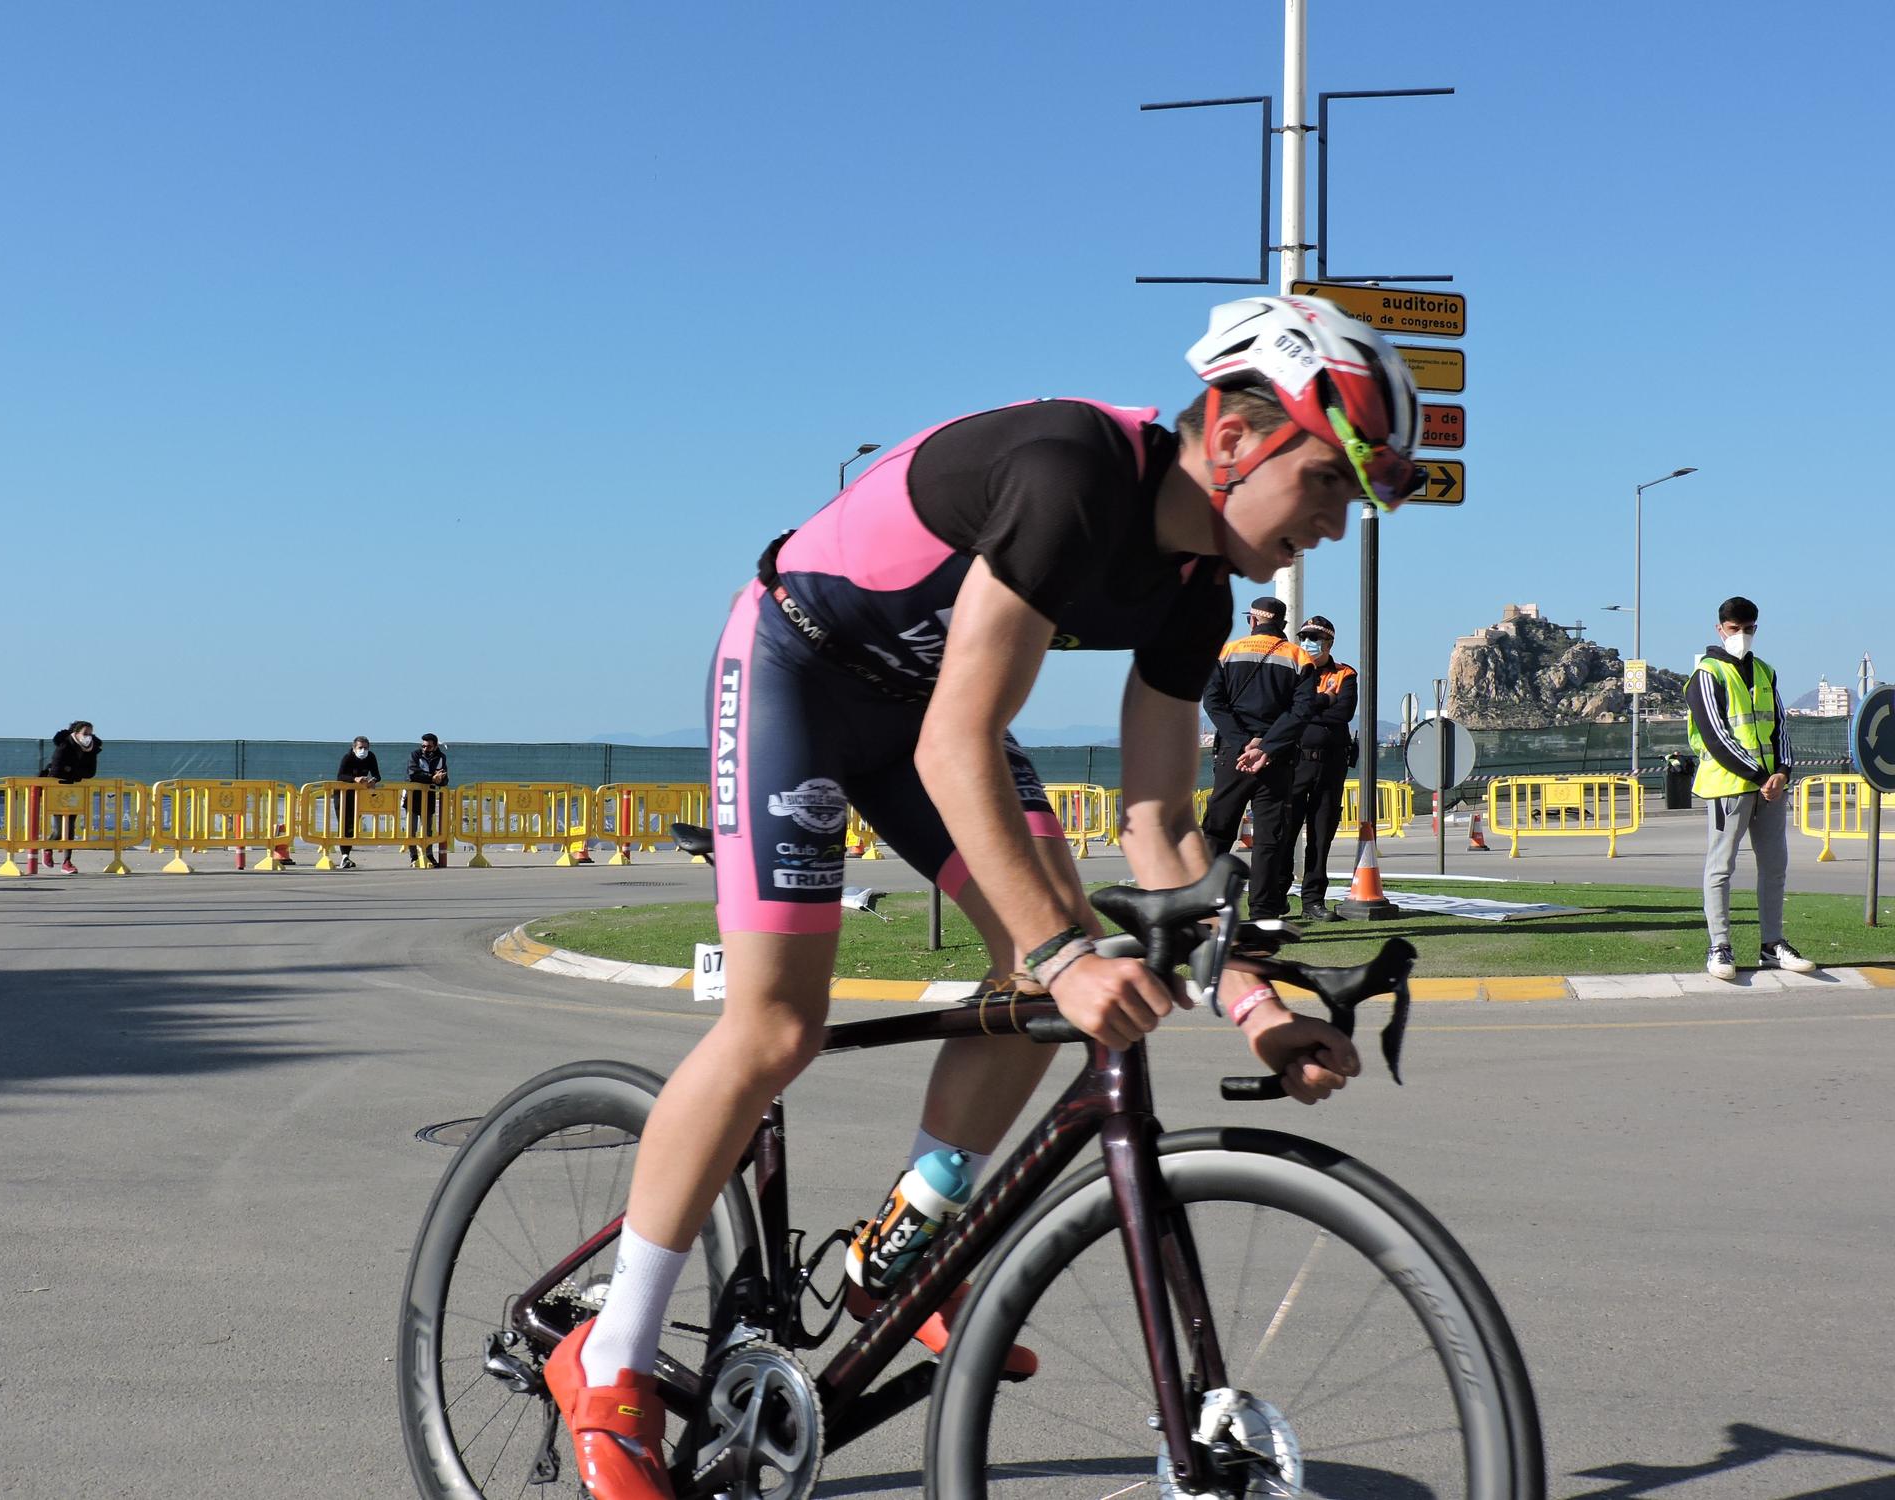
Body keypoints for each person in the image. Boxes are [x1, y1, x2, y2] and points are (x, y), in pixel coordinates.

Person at [544, 293, 1423, 1500]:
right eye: (1328, 479)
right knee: (779, 1024)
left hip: (922, 708)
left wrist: (1251, 1002)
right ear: (1230, 436)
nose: (1333, 521)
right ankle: (613, 1356)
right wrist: (1068, 945)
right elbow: (961, 739)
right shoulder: (1070, 475)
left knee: (1048, 981)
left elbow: (1159, 826)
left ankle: (899, 1250)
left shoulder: (1194, 588)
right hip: (798, 667)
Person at [1684, 596, 1817, 980]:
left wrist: (1784, 772)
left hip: (1770, 789)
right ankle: (1719, 946)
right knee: (1721, 868)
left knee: (1775, 866)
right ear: (1719, 629)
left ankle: (1772, 944)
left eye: (1748, 628)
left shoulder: (1765, 671)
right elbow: (1715, 735)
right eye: (1734, 628)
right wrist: (1762, 777)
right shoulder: (1706, 675)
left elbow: (1779, 726)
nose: (1741, 635)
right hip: (1730, 787)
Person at [1200, 596, 1318, 924]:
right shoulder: (1298, 657)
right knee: (1269, 838)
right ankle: (1264, 914)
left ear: (1252, 621)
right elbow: (1302, 710)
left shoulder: (1227, 652)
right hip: (1276, 759)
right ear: (1281, 624)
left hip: (1233, 756)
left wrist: (1243, 744)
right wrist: (1266, 746)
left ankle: (1206, 911)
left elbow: (1212, 701)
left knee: (1219, 831)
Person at [1279, 614, 1356, 921]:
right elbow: (1286, 714)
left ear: (1329, 643)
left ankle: (1313, 900)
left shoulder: (1344, 674)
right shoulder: (1292, 670)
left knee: (1320, 836)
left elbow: (1344, 713)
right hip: (1295, 763)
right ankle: (1277, 896)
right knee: (1284, 832)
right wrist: (1323, 702)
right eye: (1304, 638)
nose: (1308, 644)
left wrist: (1306, 712)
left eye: (1315, 639)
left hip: (1330, 766)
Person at [35, 720, 102, 875]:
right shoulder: (64, 745)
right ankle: (48, 848)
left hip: (75, 791)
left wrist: (71, 771)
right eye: (85, 734)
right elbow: (57, 770)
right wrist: (74, 772)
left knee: (71, 827)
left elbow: (90, 772)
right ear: (76, 733)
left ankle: (67, 862)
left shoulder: (92, 750)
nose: (88, 737)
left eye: (90, 734)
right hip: (57, 790)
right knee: (58, 829)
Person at [404, 733, 450, 868]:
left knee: (428, 829)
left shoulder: (441, 757)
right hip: (412, 795)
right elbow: (413, 774)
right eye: (423, 745)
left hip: (429, 796)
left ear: (435, 746)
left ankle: (428, 854)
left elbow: (445, 778)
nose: (425, 748)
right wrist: (432, 778)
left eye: (429, 746)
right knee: (411, 829)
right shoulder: (415, 755)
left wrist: (440, 779)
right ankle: (414, 856)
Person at [334, 737, 379, 869]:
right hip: (341, 794)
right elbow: (340, 776)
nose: (363, 750)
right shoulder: (348, 757)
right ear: (354, 748)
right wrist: (355, 779)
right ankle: (344, 857)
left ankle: (347, 856)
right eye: (360, 748)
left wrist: (373, 780)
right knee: (343, 823)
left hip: (358, 795)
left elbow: (377, 774)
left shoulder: (371, 757)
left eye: (365, 748)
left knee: (352, 826)